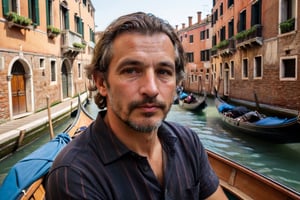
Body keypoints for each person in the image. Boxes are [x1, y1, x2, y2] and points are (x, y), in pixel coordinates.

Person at [46, 12, 227, 199]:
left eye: (163, 72)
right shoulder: (74, 174)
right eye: (131, 70)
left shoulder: (188, 142)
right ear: (101, 83)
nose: (151, 89)